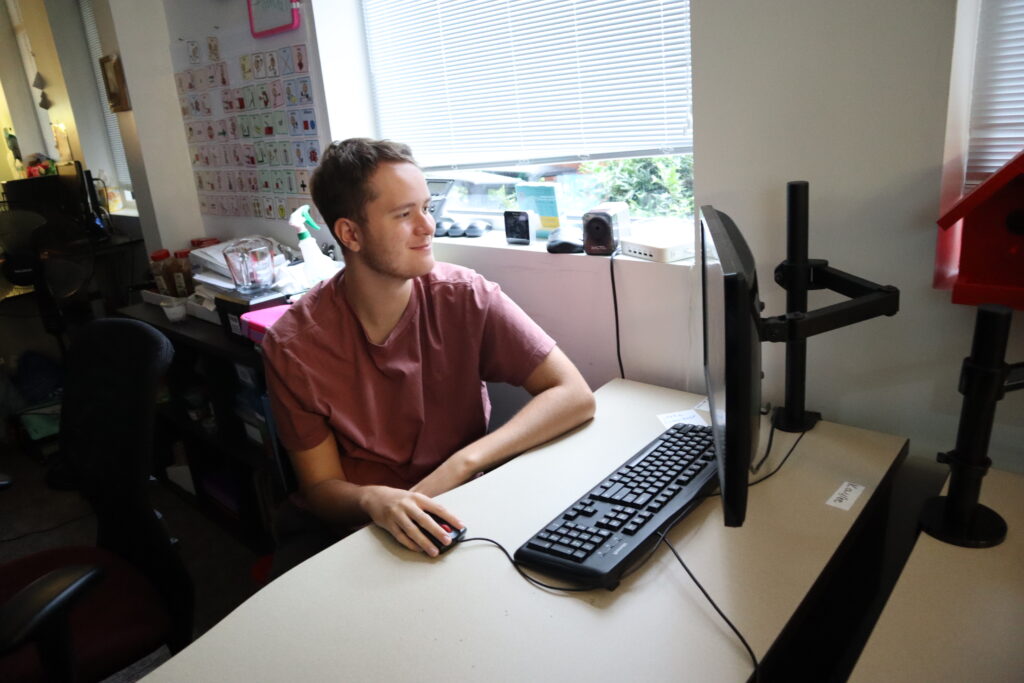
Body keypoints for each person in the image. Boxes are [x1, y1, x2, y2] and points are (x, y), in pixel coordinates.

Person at [261, 138, 595, 573]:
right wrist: (373, 499)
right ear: (350, 233)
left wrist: (462, 464)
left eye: (426, 207)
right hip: (360, 534)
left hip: (458, 509)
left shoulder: (463, 295)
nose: (428, 226)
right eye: (404, 214)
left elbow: (574, 394)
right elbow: (321, 487)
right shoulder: (294, 346)